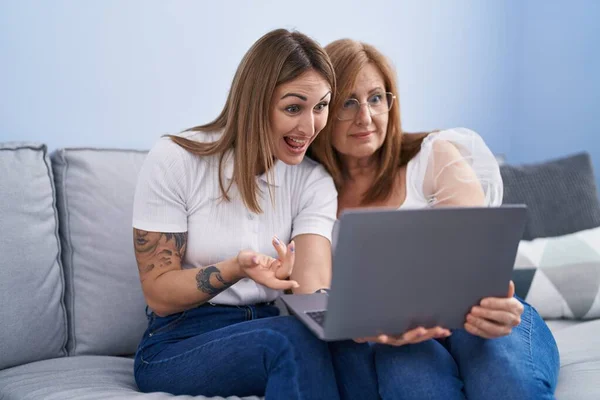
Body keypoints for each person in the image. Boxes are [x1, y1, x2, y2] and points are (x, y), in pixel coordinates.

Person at [309, 39, 560, 400]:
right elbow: (320, 294)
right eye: (349, 102)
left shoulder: (434, 156)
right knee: (415, 388)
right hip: (396, 334)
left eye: (376, 98)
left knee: (505, 382)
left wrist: (496, 304)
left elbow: (479, 260)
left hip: (478, 317)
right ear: (325, 109)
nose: (365, 117)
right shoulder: (312, 192)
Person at [131, 29, 342, 399]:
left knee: (348, 347)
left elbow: (312, 289)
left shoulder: (313, 181)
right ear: (256, 102)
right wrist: (237, 268)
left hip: (264, 328)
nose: (310, 127)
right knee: (287, 341)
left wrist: (370, 322)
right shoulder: (176, 160)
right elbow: (159, 293)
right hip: (177, 341)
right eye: (293, 108)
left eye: (321, 106)